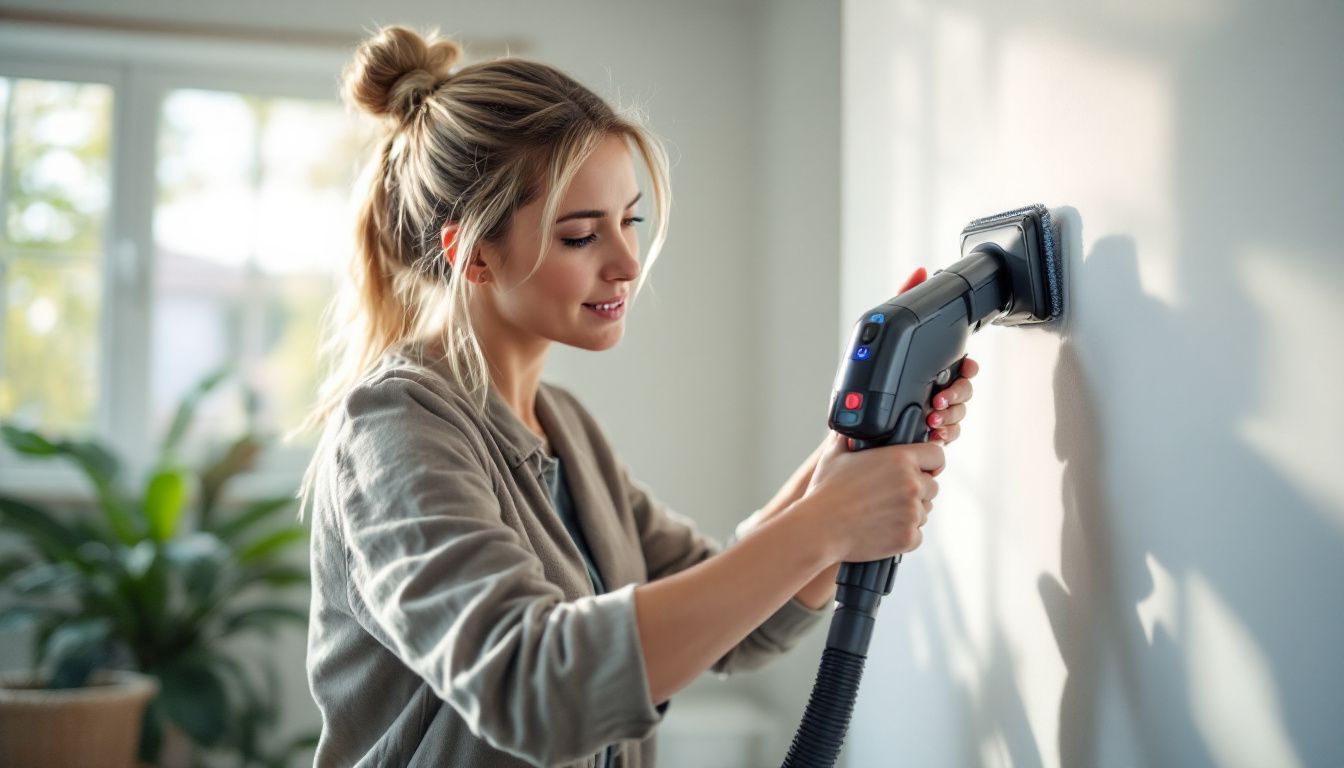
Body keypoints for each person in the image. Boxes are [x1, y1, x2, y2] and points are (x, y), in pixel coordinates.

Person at [295, 25, 978, 768]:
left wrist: (852, 451)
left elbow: (736, 619)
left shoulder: (565, 429)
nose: (627, 263)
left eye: (630, 221)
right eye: (582, 236)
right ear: (476, 254)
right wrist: (827, 522)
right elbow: (535, 692)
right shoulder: (395, 425)